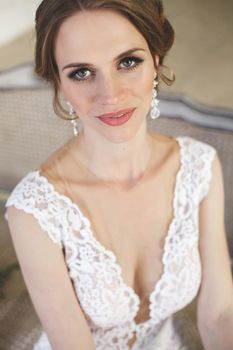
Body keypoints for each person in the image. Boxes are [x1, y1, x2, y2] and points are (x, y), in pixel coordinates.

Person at [5, 0, 233, 349]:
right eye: (81, 72)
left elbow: (219, 314)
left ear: (155, 60)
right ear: (58, 82)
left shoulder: (200, 168)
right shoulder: (34, 211)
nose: (110, 95)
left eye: (128, 62)